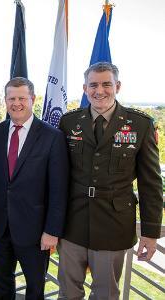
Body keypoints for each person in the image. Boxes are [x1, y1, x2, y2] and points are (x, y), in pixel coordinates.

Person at [58, 62, 163, 299]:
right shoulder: (68, 122)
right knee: (67, 293)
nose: (100, 90)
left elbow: (151, 183)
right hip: (72, 223)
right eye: (93, 85)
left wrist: (150, 231)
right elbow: (57, 175)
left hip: (114, 224)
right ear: (85, 88)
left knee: (105, 294)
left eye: (106, 84)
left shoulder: (140, 124)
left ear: (118, 86)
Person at [0, 77, 68, 299]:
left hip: (35, 231)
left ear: (32, 99)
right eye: (11, 98)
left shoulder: (52, 137)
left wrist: (52, 230)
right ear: (5, 100)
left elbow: (58, 189)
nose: (17, 103)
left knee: (34, 288)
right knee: (1, 285)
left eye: (22, 98)